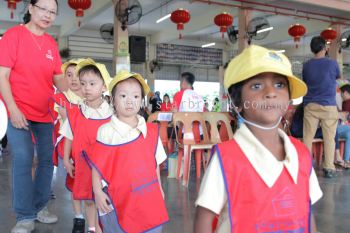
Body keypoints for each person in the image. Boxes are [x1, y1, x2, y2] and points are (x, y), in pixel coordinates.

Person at [194, 45, 322, 233]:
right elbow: (204, 219)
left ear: (288, 98)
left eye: (280, 84)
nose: (271, 92)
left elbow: (307, 211)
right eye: (257, 85)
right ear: (238, 102)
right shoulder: (227, 158)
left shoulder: (301, 153)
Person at [0, 1, 67, 232]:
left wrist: (73, 82)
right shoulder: (13, 35)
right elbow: (2, 76)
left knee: (47, 161)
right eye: (43, 9)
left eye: (53, 12)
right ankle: (24, 216)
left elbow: (57, 77)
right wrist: (13, 109)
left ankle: (39, 208)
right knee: (23, 157)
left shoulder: (50, 43)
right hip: (17, 110)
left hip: (45, 113)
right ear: (30, 8)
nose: (48, 15)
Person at [85, 70, 169, 233]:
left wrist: (159, 188)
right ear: (113, 100)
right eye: (123, 96)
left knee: (151, 227)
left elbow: (155, 163)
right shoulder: (106, 131)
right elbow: (97, 165)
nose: (130, 101)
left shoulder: (150, 131)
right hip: (118, 199)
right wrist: (97, 191)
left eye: (136, 96)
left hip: (147, 196)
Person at [60, 59, 113, 233]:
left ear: (104, 86)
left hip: (106, 167)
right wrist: (67, 160)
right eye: (83, 84)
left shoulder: (112, 113)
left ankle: (104, 228)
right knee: (89, 199)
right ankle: (92, 228)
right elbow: (69, 135)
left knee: (105, 199)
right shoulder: (76, 113)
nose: (86, 88)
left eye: (92, 83)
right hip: (83, 165)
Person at [52, 59, 85, 232]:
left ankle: (95, 223)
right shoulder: (62, 99)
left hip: (89, 146)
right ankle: (79, 217)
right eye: (69, 75)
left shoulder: (92, 98)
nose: (73, 79)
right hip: (71, 146)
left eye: (77, 75)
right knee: (76, 182)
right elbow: (68, 125)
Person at [302, 36, 340, 178]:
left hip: (311, 105)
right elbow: (336, 77)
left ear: (312, 49)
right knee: (329, 138)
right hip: (329, 106)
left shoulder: (306, 65)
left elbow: (305, 81)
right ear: (324, 48)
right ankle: (329, 168)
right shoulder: (332, 64)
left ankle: (305, 167)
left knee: (308, 137)